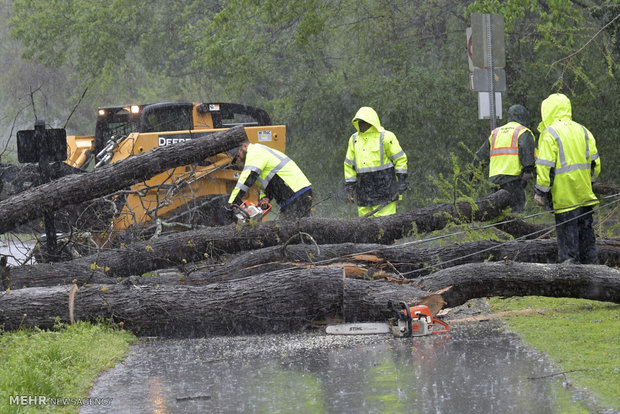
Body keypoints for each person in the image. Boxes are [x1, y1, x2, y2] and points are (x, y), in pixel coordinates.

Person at [534, 93, 601, 264]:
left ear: (547, 111)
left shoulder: (550, 134)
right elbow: (595, 164)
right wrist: (588, 182)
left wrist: (541, 192)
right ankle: (596, 283)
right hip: (585, 197)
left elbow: (545, 166)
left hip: (565, 200)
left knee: (568, 252)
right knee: (588, 245)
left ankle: (572, 283)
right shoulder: (584, 130)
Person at [344, 107, 408, 217]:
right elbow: (349, 165)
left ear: (371, 122)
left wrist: (401, 180)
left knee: (386, 228)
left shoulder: (386, 137)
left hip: (385, 191)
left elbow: (400, 159)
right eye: (358, 122)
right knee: (366, 228)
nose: (360, 124)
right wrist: (350, 188)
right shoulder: (354, 139)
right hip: (363, 193)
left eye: (363, 122)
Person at [473, 104, 536, 213]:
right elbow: (528, 159)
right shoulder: (523, 132)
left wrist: (473, 172)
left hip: (494, 181)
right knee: (515, 215)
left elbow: (480, 156)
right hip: (513, 181)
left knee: (498, 214)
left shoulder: (496, 132)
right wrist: (529, 171)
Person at [228, 140, 313, 220]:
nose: (238, 160)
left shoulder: (255, 152)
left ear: (244, 146)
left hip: (296, 192)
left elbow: (248, 177)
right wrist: (265, 197)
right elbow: (266, 184)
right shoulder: (257, 157)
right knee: (291, 229)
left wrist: (234, 201)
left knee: (290, 229)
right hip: (294, 195)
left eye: (238, 156)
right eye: (235, 159)